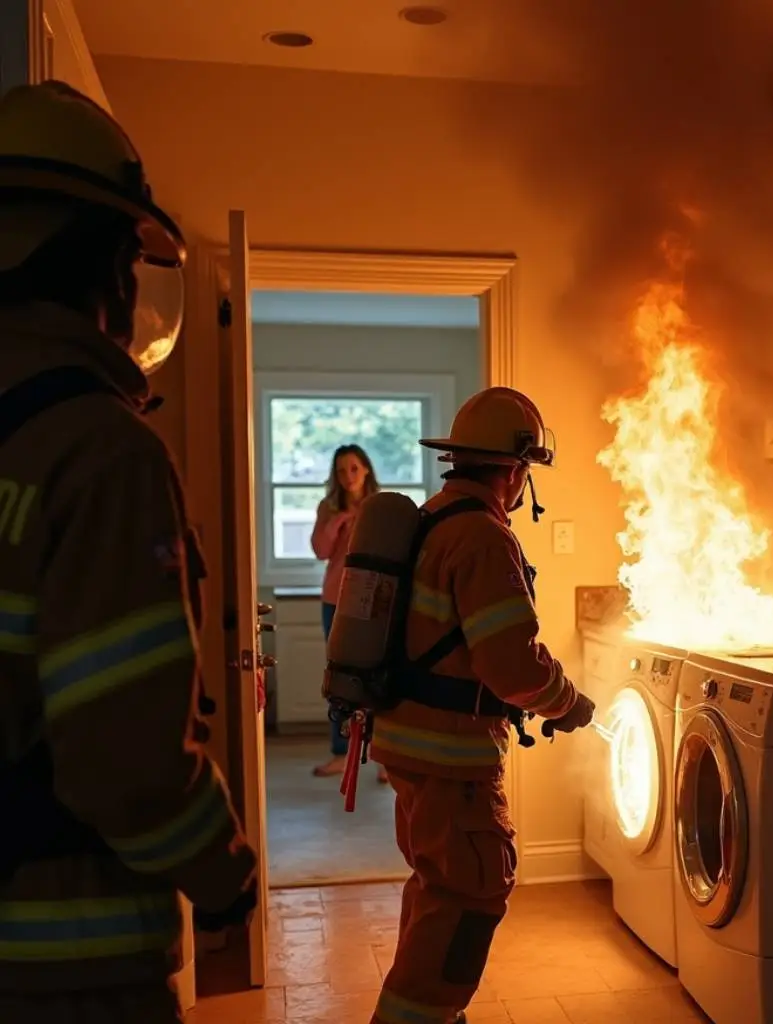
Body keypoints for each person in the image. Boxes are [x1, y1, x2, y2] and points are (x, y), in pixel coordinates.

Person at [0, 81, 257, 1023]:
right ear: (92, 255)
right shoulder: (98, 448)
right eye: (123, 258)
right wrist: (224, 871)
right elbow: (129, 754)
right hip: (60, 959)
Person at [368, 387, 597, 1024]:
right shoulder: (483, 539)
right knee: (469, 899)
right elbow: (512, 666)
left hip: (412, 748)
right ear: (517, 469)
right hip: (452, 759)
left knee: (438, 895)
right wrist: (568, 703)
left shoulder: (436, 517)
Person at [310, 443, 387, 781]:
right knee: (340, 678)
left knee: (380, 674)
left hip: (375, 600)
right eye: (341, 471)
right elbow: (321, 551)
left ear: (366, 469)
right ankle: (342, 754)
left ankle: (385, 756)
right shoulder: (328, 508)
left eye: (354, 468)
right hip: (336, 600)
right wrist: (339, 520)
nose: (348, 476)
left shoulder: (382, 507)